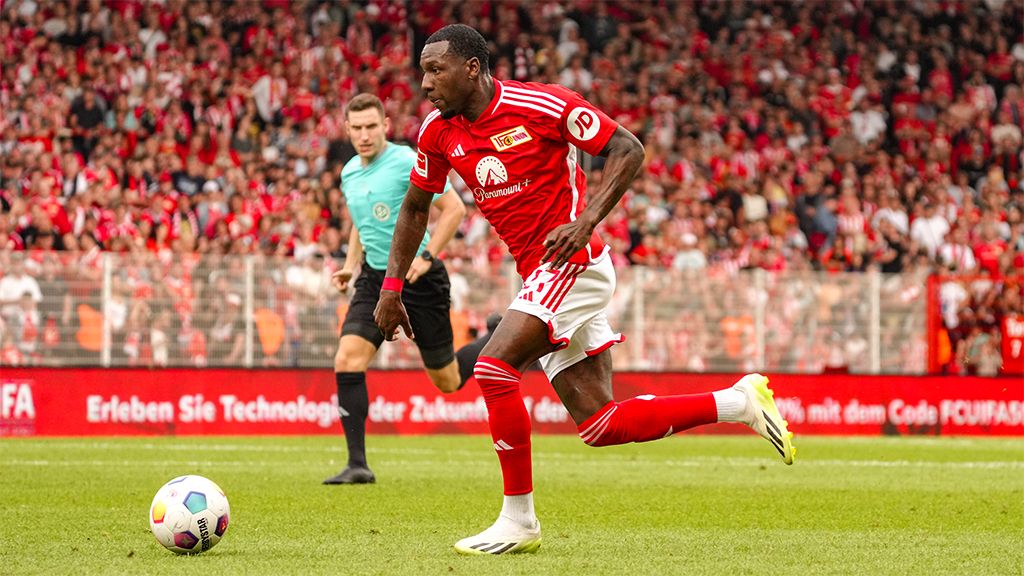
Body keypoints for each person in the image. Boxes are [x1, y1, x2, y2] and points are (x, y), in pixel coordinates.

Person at [375, 25, 796, 555]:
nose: (425, 83)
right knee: (601, 422)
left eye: (436, 70)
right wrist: (391, 288)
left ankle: (518, 518)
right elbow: (416, 207)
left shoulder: (542, 105)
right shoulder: (438, 132)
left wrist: (587, 221)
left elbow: (627, 147)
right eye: (422, 71)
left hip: (574, 261)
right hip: (541, 274)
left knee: (491, 368)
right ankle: (737, 402)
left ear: (473, 68)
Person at [323, 93, 467, 485]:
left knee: (448, 381)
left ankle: (493, 335)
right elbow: (360, 223)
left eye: (372, 126)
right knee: (348, 359)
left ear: (386, 125)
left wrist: (428, 257)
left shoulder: (407, 160)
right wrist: (350, 267)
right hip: (374, 278)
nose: (365, 134)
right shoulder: (350, 172)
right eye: (357, 128)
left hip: (420, 280)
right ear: (347, 130)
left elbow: (454, 209)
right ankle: (358, 465)